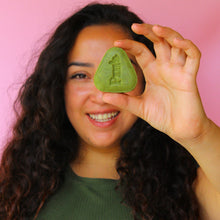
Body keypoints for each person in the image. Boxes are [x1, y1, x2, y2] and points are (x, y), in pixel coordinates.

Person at [0, 2, 220, 220]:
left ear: (145, 79)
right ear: (58, 87)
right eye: (80, 75)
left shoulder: (192, 184)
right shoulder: (16, 187)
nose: (102, 95)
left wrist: (199, 133)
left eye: (117, 71)